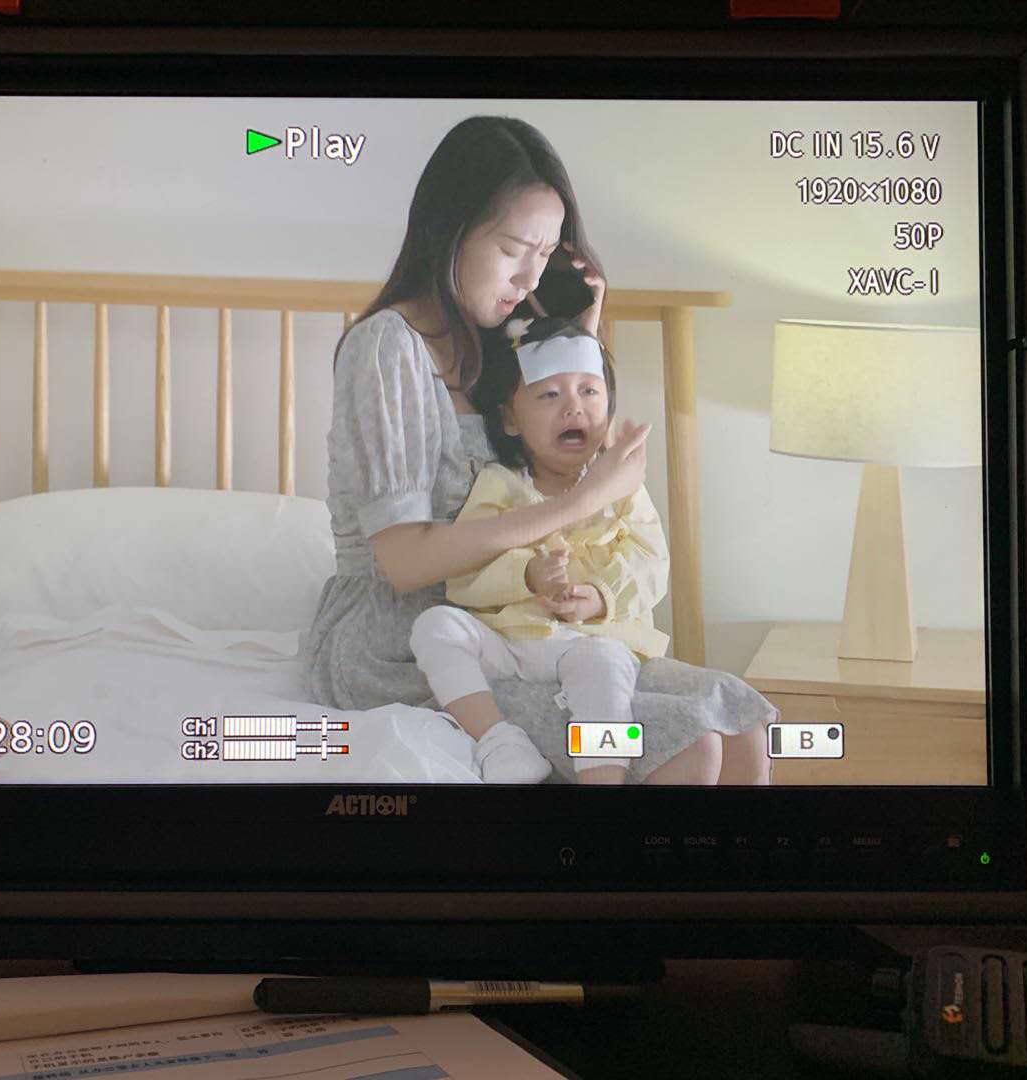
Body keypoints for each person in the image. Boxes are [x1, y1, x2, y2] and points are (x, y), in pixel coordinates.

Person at [303, 114, 774, 784]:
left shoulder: (503, 344)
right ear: (449, 230)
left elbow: (562, 468)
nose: (528, 277)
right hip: (406, 639)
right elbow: (404, 563)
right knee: (687, 742)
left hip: (519, 622)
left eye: (546, 255)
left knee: (739, 715)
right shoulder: (387, 348)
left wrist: (578, 332)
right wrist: (582, 500)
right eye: (514, 249)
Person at [409, 316, 668, 784]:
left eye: (589, 391)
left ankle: (603, 779)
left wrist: (600, 595)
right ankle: (499, 740)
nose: (573, 408)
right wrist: (526, 575)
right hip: (509, 642)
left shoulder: (623, 487)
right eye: (549, 395)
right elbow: (464, 575)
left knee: (604, 665)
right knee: (435, 625)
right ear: (510, 419)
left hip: (589, 642)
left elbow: (651, 563)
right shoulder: (499, 484)